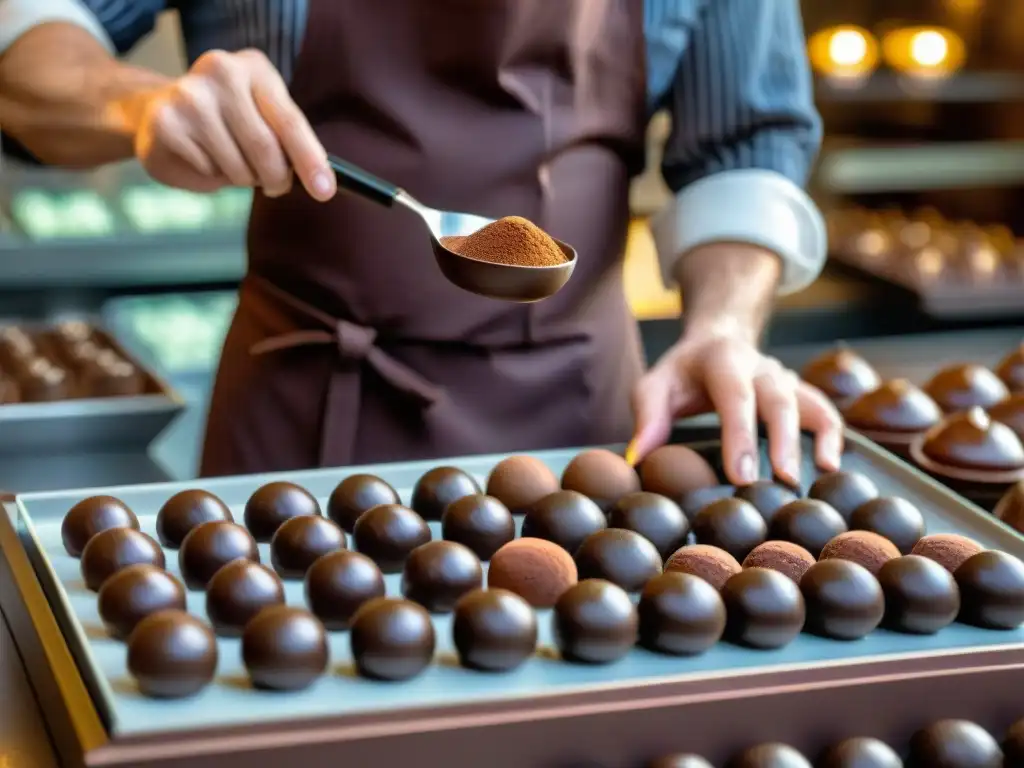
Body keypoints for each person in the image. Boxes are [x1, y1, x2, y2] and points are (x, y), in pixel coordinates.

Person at [0, 0, 842, 485]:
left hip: (581, 438)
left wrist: (722, 327)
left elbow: (744, 143)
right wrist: (136, 102)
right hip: (296, 423)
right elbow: (28, 47)